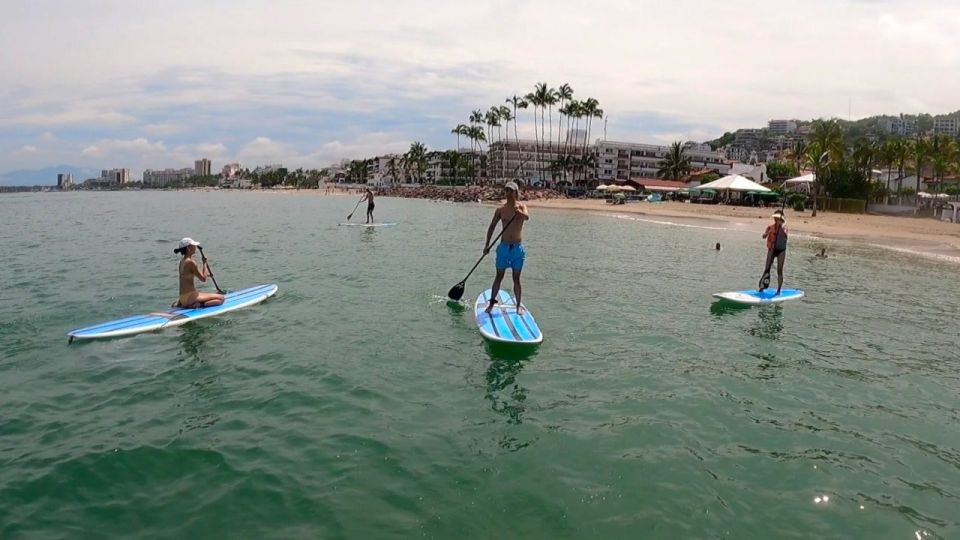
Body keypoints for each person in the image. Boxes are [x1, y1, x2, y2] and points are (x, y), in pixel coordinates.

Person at [484, 181, 530, 315]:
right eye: (506, 190)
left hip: (517, 249)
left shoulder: (522, 206)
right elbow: (492, 227)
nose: (508, 193)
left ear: (516, 192)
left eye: (510, 190)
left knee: (516, 278)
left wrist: (519, 212)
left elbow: (527, 217)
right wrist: (487, 245)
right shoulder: (500, 210)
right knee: (499, 276)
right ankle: (492, 303)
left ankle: (518, 306)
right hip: (503, 248)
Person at [173, 238, 224, 308]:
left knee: (202, 294)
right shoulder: (191, 262)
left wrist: (208, 275)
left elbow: (188, 275)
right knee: (221, 298)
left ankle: (184, 303)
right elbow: (203, 279)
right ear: (188, 248)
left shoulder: (182, 262)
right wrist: (204, 263)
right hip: (190, 297)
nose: (195, 247)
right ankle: (199, 305)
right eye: (193, 245)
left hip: (182, 298)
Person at [760, 211, 788, 295]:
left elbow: (785, 237)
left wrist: (780, 229)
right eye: (775, 219)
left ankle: (779, 290)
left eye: (778, 219)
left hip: (780, 250)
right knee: (767, 268)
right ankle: (762, 287)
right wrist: (767, 233)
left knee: (779, 270)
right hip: (772, 249)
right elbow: (763, 236)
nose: (776, 220)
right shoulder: (770, 227)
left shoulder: (784, 228)